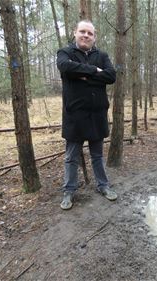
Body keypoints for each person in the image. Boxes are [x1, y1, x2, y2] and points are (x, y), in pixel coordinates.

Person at [56, 20, 117, 210]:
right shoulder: (65, 53)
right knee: (71, 157)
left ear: (94, 37)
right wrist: (94, 71)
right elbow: (65, 67)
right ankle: (69, 191)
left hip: (97, 115)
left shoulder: (102, 55)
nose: (86, 36)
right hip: (75, 116)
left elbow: (111, 76)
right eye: (82, 32)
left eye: (90, 33)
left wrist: (83, 76)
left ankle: (103, 186)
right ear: (75, 33)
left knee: (97, 155)